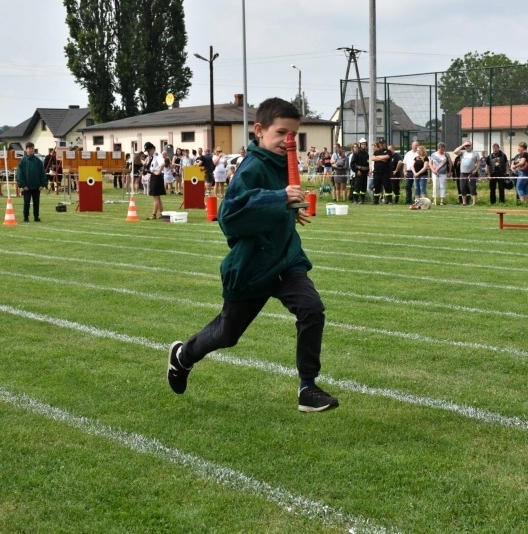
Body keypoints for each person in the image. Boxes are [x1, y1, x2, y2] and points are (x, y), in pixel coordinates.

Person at [166, 97, 338, 413]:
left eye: (293, 135)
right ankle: (183, 355)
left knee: (311, 308)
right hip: (252, 267)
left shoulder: (283, 162)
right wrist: (278, 199)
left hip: (285, 260)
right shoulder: (252, 166)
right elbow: (230, 216)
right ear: (259, 131)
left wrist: (289, 211)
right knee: (226, 334)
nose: (288, 141)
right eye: (281, 133)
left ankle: (307, 387)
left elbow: (272, 206)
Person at [15, 142, 48, 222]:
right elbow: (19, 174)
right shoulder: (22, 161)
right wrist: (23, 185)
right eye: (29, 148)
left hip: (37, 186)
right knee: (26, 203)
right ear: (26, 150)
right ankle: (26, 217)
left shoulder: (38, 161)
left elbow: (42, 173)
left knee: (36, 203)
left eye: (32, 148)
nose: (31, 150)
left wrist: (42, 184)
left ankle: (36, 217)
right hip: (27, 187)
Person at [454, 141, 480, 206]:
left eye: (468, 145)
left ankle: (474, 203)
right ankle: (464, 202)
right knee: (462, 188)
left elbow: (478, 162)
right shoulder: (462, 152)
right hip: (463, 173)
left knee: (472, 188)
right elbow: (455, 151)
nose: (467, 146)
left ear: (471, 145)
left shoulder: (475, 153)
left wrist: (476, 170)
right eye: (466, 146)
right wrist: (462, 145)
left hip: (471, 173)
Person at [144, 142, 166, 219]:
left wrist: (159, 171)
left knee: (155, 197)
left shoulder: (157, 155)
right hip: (154, 176)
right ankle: (162, 213)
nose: (148, 152)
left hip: (156, 177)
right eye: (147, 151)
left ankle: (154, 214)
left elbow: (163, 163)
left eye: (149, 150)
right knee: (158, 197)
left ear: (153, 148)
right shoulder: (152, 156)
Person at [371, 138, 392, 204]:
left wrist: (377, 157)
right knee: (376, 186)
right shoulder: (376, 151)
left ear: (385, 144)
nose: (381, 144)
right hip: (377, 172)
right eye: (380, 143)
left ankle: (389, 200)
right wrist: (382, 158)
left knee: (387, 186)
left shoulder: (388, 151)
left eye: (382, 143)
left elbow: (387, 157)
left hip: (385, 172)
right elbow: (373, 158)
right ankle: (376, 201)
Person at [350, 138, 370, 204]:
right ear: (360, 145)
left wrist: (368, 171)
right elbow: (352, 164)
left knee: (364, 187)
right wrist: (356, 171)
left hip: (365, 173)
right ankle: (355, 200)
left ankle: (362, 200)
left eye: (365, 144)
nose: (364, 146)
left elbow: (367, 163)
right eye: (362, 144)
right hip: (359, 172)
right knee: (357, 187)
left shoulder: (366, 154)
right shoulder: (356, 153)